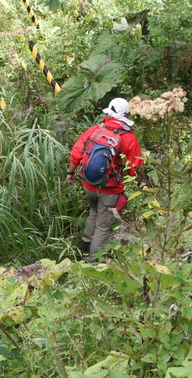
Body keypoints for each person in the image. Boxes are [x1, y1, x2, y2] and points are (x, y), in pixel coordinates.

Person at [66, 98, 143, 261]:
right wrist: (141, 185)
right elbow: (135, 168)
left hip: (88, 184)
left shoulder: (95, 130)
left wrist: (70, 173)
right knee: (103, 226)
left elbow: (76, 153)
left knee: (94, 212)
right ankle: (93, 262)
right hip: (110, 190)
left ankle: (85, 247)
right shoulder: (128, 138)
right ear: (126, 115)